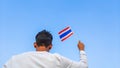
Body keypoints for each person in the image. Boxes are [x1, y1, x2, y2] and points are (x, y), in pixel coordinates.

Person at [3, 30, 88, 68]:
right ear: (50, 46)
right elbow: (84, 66)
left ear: (35, 44)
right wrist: (81, 50)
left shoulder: (15, 59)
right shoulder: (57, 59)